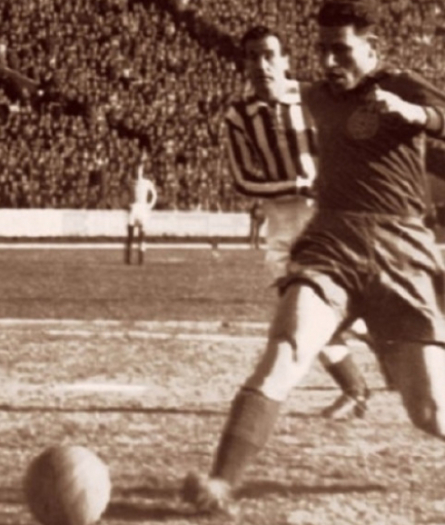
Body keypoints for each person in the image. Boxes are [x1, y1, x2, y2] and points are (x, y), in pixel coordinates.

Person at [183, 1, 445, 513]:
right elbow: (267, 81)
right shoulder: (316, 96)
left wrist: (419, 115)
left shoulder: (401, 84)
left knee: (430, 411)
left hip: (401, 250)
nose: (328, 61)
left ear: (371, 47)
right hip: (332, 242)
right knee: (287, 347)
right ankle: (221, 484)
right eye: (322, 50)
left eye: (340, 49)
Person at [223, 25, 370, 421]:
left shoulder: (312, 98)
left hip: (325, 215)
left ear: (285, 59)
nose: (261, 64)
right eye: (253, 56)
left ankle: (369, 376)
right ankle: (356, 389)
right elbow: (242, 179)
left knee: (330, 306)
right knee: (300, 311)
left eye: (269, 55)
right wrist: (297, 185)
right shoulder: (238, 115)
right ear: (244, 64)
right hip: (281, 222)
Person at [125, 150, 156, 265]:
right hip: (134, 208)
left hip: (143, 209)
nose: (138, 171)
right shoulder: (133, 182)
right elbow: (128, 193)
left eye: (140, 170)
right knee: (130, 234)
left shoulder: (147, 182)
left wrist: (149, 206)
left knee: (142, 235)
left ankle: (141, 259)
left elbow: (154, 195)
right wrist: (129, 204)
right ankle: (128, 258)